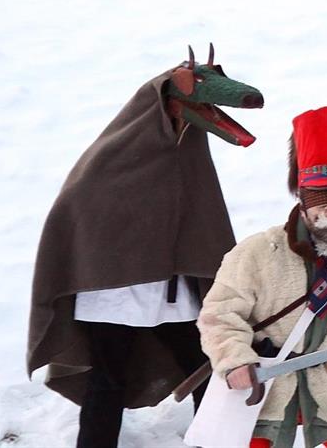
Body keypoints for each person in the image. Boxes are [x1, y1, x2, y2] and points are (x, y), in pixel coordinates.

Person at [27, 50, 262, 447]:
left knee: (206, 368)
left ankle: (217, 441)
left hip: (172, 294)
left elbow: (203, 225)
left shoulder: (189, 153)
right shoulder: (114, 156)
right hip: (113, 294)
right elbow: (77, 212)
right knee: (108, 381)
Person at [196, 106, 327, 448]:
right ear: (305, 208)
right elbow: (220, 315)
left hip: (326, 384)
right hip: (265, 387)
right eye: (324, 210)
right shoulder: (259, 251)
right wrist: (235, 360)